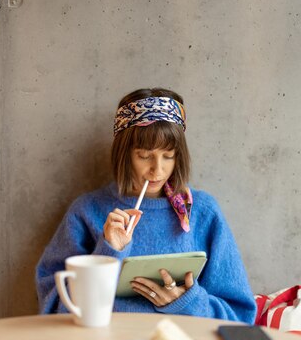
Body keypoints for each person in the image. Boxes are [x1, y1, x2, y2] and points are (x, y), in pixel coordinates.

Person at [35, 88, 256, 324]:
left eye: (168, 155)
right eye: (144, 155)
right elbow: (53, 309)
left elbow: (240, 316)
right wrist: (108, 251)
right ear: (124, 153)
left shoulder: (203, 212)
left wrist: (188, 303)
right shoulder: (87, 211)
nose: (157, 170)